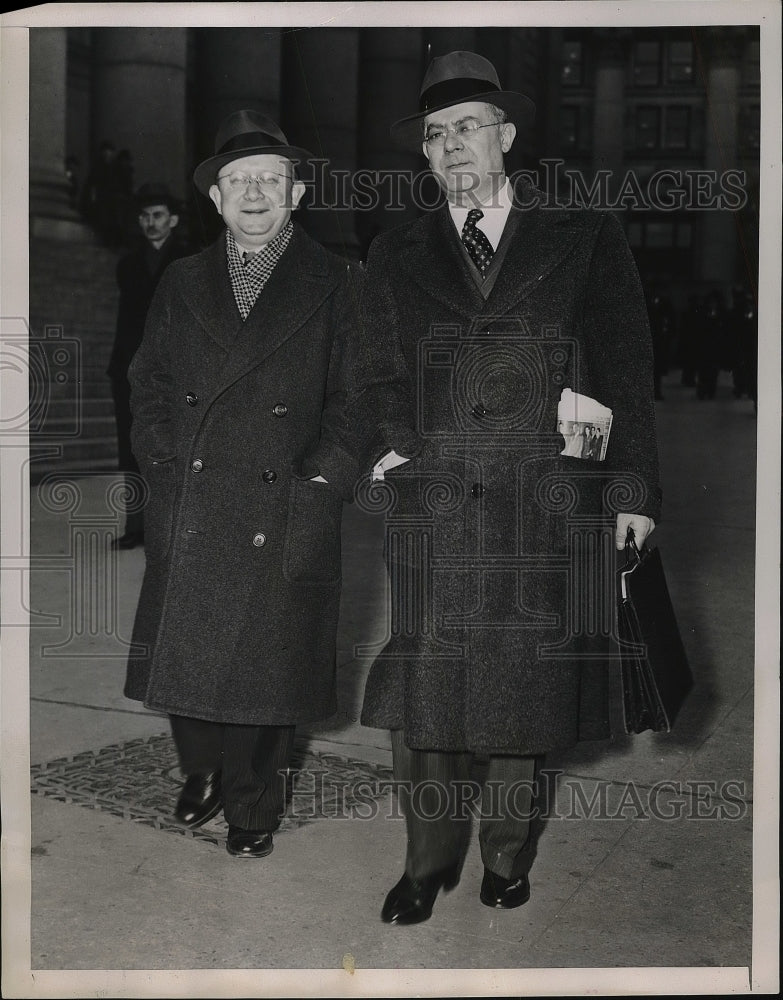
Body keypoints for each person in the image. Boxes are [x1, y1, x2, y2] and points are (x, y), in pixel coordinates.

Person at [351, 51, 660, 924]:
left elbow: (629, 370)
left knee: (523, 696)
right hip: (436, 505)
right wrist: (397, 449)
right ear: (424, 154)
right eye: (436, 134)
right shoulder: (393, 249)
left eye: (468, 127)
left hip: (544, 499)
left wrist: (633, 493)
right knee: (428, 699)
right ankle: (425, 863)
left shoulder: (582, 232)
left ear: (507, 136)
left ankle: (506, 854)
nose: (453, 146)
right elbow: (372, 371)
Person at [123, 110, 361, 859]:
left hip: (283, 496)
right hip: (191, 495)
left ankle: (253, 804)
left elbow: (363, 395)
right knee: (187, 657)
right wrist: (161, 460)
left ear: (294, 195)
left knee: (265, 671)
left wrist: (324, 475)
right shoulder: (182, 278)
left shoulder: (337, 280)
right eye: (237, 182)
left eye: (269, 179)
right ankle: (200, 772)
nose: (254, 193)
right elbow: (149, 382)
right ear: (217, 200)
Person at [108, 183, 192, 549]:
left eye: (157, 215)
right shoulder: (127, 264)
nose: (150, 222)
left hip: (175, 368)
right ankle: (136, 527)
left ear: (172, 220)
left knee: (177, 446)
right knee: (131, 446)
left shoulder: (191, 262)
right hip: (128, 369)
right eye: (144, 216)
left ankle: (175, 527)